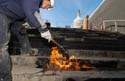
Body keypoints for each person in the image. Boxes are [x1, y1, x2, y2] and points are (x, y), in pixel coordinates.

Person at [0, 0, 55, 81]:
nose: (47, 8)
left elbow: (33, 17)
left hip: (13, 18)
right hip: (2, 12)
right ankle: (5, 77)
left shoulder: (35, 8)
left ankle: (27, 51)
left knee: (21, 30)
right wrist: (43, 30)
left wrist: (29, 24)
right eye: (48, 5)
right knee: (2, 46)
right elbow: (30, 13)